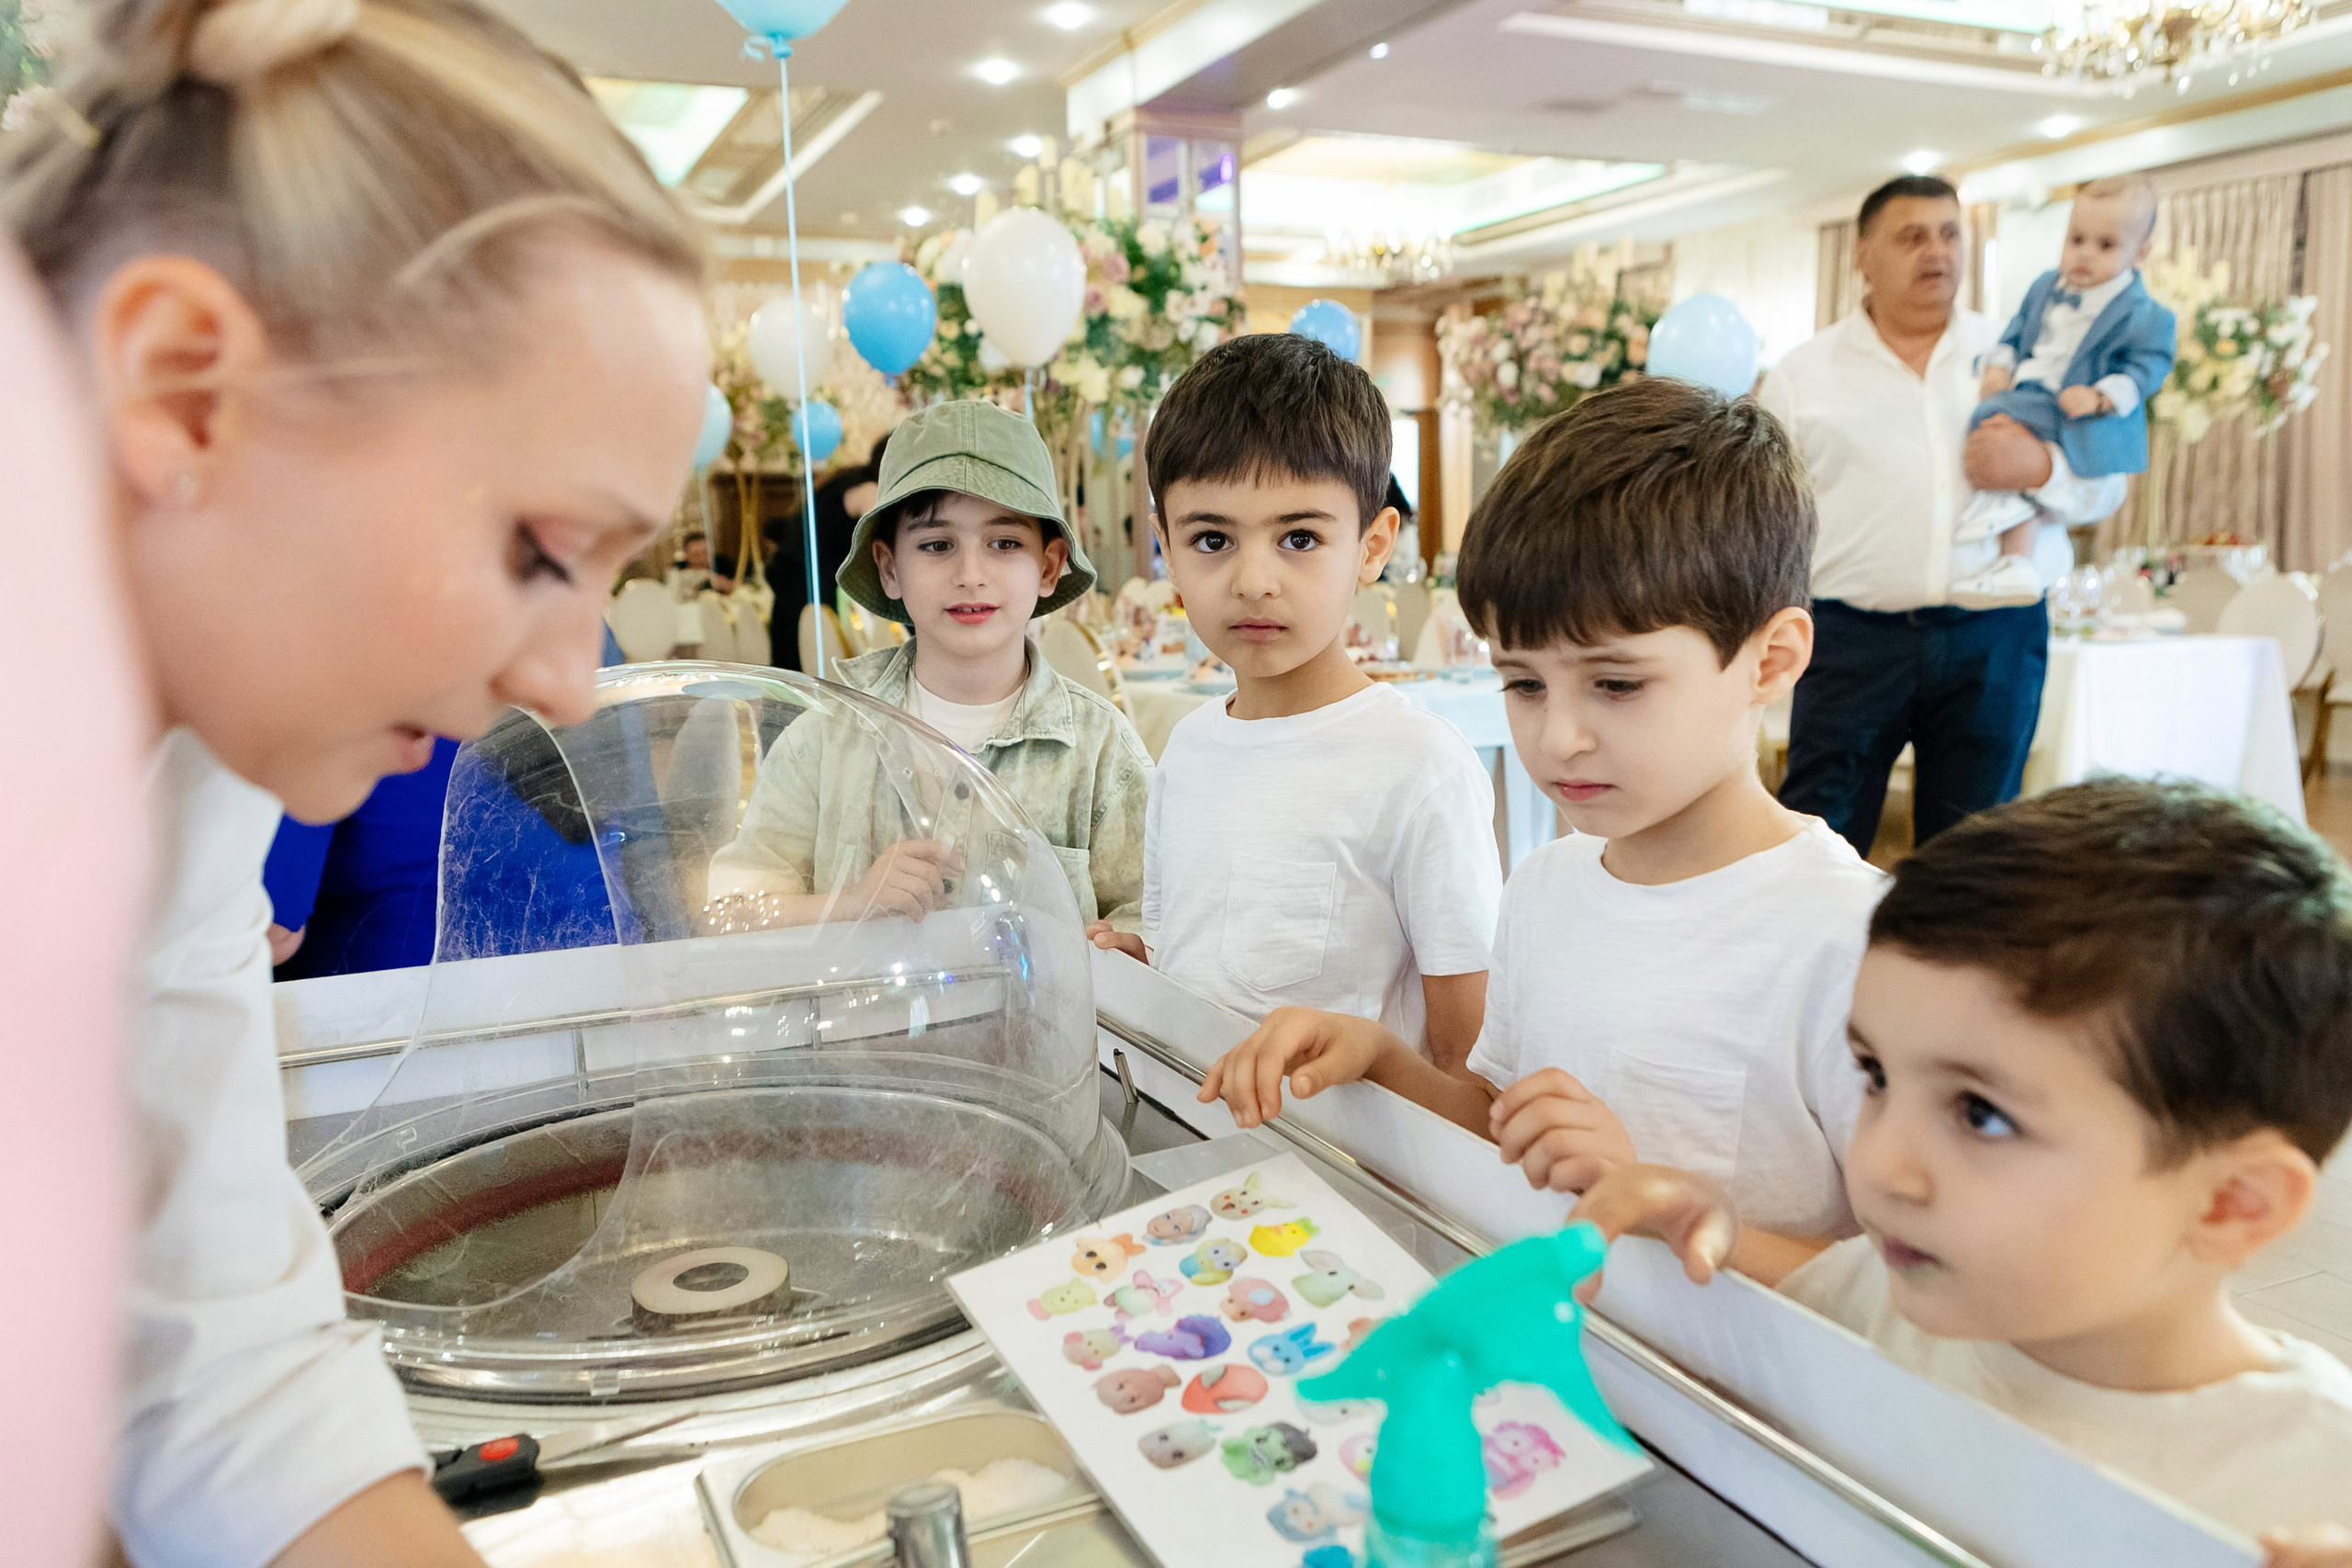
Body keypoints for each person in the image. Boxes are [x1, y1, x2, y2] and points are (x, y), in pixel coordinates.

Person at [5, 0, 711, 1562]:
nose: (568, 680)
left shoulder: (183, 780)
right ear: (188, 389)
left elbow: (208, 1367)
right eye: (539, 549)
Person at [1570, 779, 2352, 1563]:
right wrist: (1706, 1221)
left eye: (1981, 1113)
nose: (1878, 1162)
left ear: (2231, 1204)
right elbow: (1822, 1290)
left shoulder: (2318, 1480)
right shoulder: (1896, 1291)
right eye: (1875, 1075)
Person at [1197, 379, 1882, 1244]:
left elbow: (1911, 1306)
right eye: (1524, 683)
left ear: (1770, 661)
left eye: (1616, 683)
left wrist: (1679, 1215)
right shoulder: (1546, 885)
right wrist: (1379, 1056)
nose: (1559, 738)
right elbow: (1500, 1123)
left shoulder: (1851, 942)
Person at [1091, 333, 1501, 1070]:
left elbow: (1468, 1063)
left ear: (1372, 547)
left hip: (1345, 1168)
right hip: (1200, 1138)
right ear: (1167, 549)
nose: (1255, 580)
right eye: (1213, 538)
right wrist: (1140, 964)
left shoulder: (1418, 768)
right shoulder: (1186, 746)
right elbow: (1199, 952)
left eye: (1300, 537)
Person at [1763, 174, 2130, 857]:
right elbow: (1764, 522)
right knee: (1816, 838)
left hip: (1993, 638)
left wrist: (2042, 470)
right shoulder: (1800, 376)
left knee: (1977, 850)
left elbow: (2107, 487)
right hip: (1849, 641)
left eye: (1949, 233)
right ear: (1863, 256)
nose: (1936, 251)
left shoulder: (2027, 359)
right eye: (1911, 236)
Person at [708, 400, 1152, 930]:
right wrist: (849, 902)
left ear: (1049, 567)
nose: (970, 574)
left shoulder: (1102, 752)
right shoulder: (825, 739)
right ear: (890, 568)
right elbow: (730, 914)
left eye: (1004, 543)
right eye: (937, 545)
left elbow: (1151, 923)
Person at [1949, 175, 2175, 608]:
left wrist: (2102, 396)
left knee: (1995, 429)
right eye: (2077, 239)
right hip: (2030, 393)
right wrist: (1998, 366)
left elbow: (2149, 366)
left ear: (2140, 253)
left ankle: (2008, 538)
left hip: (2076, 414)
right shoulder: (2044, 288)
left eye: (2106, 246)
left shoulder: (2148, 315)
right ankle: (2011, 551)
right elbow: (2015, 333)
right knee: (1991, 419)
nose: (2085, 254)